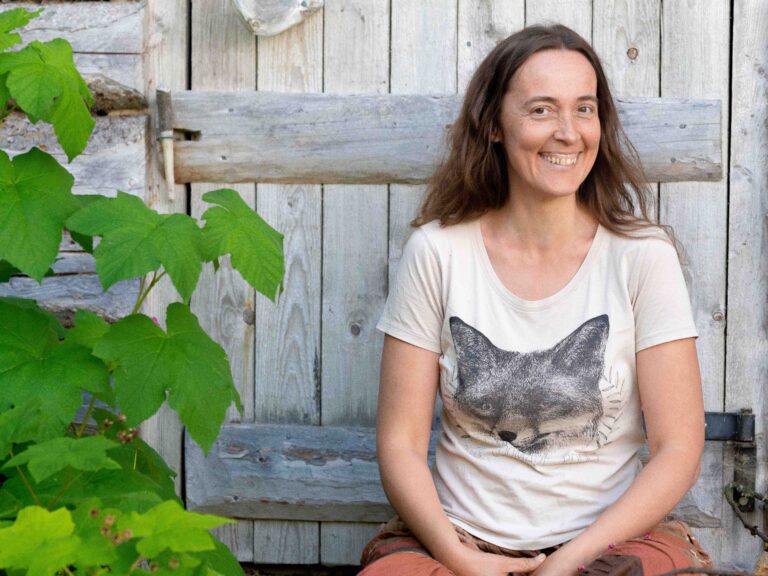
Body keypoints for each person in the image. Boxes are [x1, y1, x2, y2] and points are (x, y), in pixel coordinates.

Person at [357, 24, 714, 576]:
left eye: (584, 109)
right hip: (461, 538)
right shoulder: (438, 251)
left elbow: (679, 447)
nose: (568, 133)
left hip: (606, 544)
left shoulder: (642, 256)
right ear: (494, 125)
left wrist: (570, 561)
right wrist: (461, 559)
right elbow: (400, 445)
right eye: (541, 110)